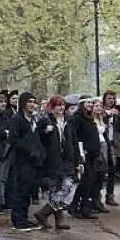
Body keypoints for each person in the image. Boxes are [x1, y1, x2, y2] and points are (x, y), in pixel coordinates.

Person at [35, 95, 75, 230]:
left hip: (67, 160)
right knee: (55, 190)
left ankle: (43, 213)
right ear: (52, 107)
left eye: (63, 105)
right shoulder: (45, 121)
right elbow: (38, 138)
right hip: (52, 161)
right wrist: (45, 131)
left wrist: (78, 159)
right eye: (58, 105)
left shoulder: (69, 121)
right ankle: (59, 219)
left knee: (68, 187)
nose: (61, 108)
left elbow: (73, 141)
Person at [8, 92, 46, 232]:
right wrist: (28, 148)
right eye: (29, 101)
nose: (32, 104)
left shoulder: (33, 119)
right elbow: (13, 139)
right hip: (21, 160)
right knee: (20, 191)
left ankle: (23, 217)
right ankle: (18, 220)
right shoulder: (17, 119)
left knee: (28, 190)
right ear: (23, 103)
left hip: (33, 161)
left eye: (34, 101)